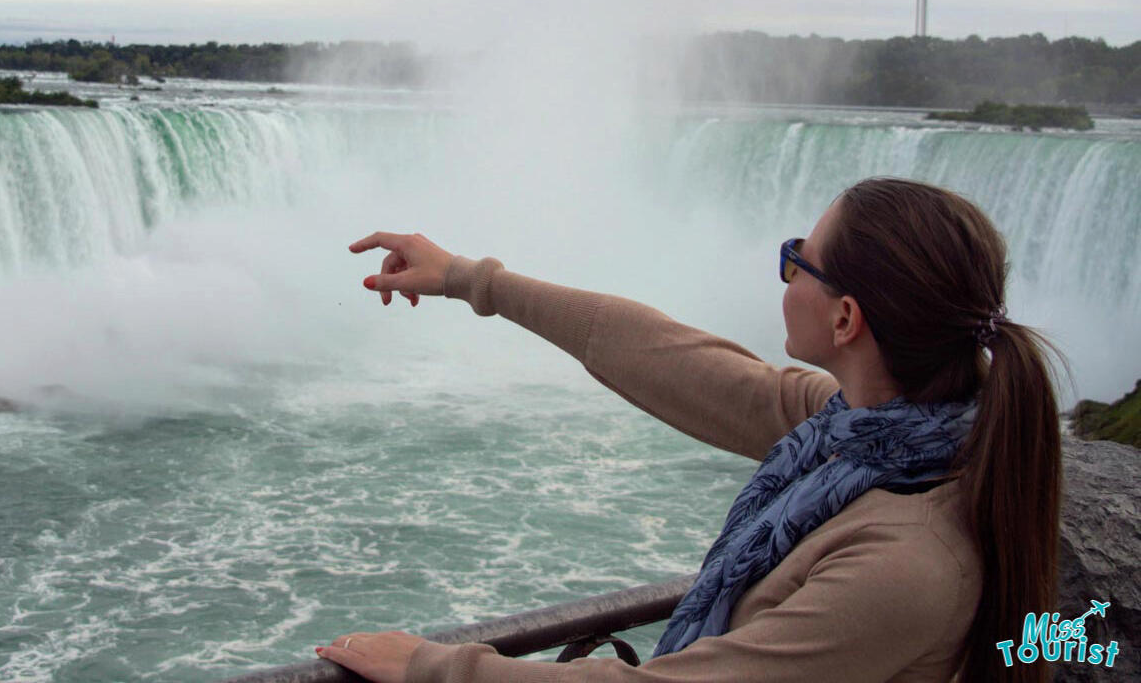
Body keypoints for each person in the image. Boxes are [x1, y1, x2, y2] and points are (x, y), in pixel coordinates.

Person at [318, 177, 1062, 683]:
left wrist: (432, 666)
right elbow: (673, 361)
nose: (788, 271)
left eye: (796, 260)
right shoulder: (869, 434)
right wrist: (467, 278)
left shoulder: (909, 560)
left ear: (845, 319)